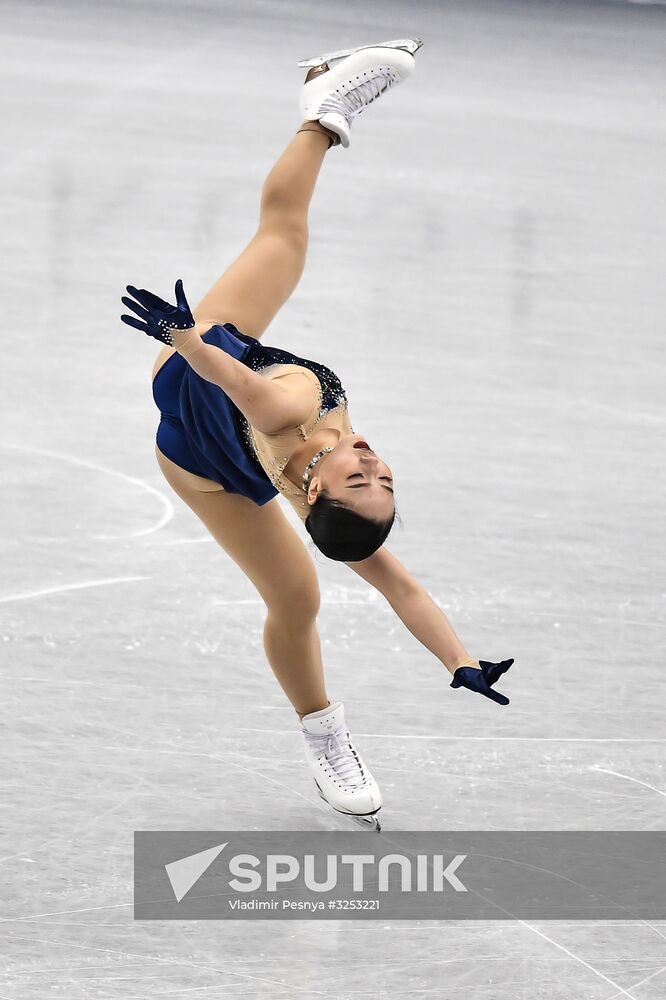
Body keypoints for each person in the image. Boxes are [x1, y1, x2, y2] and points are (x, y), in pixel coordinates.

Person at [120, 39, 514, 830]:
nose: (371, 460)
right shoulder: (335, 501)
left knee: (294, 594)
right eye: (384, 479)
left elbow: (243, 387)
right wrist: (459, 660)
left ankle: (323, 738)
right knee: (285, 236)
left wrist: (188, 342)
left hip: (199, 428)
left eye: (358, 478)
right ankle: (324, 107)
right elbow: (403, 588)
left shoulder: (291, 413)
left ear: (313, 493)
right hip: (227, 392)